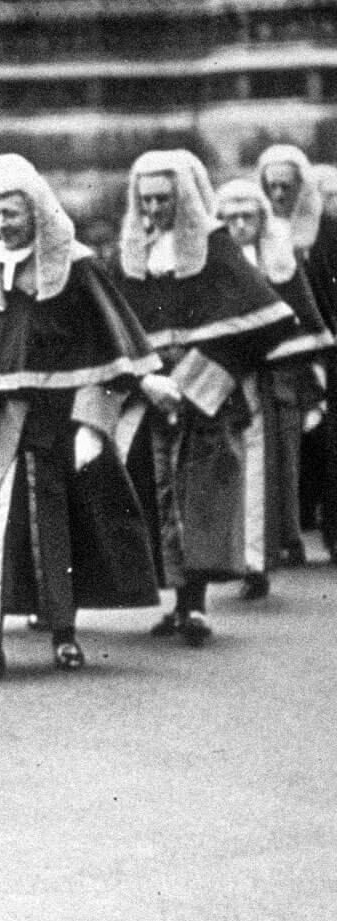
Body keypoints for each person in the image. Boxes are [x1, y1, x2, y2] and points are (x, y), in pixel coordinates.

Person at [0, 154, 161, 679]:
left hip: (57, 420)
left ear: (37, 211)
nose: (2, 224)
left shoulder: (78, 265)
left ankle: (64, 632)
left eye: (12, 213)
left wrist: (93, 423)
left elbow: (113, 347)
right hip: (2, 419)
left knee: (57, 523)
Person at [115, 149, 296, 645]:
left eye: (164, 200)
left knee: (198, 497)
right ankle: (175, 600)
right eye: (145, 201)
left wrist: (199, 379)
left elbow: (267, 321)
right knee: (158, 495)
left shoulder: (215, 249)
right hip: (153, 391)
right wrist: (148, 379)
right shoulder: (133, 253)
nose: (153, 211)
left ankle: (194, 604)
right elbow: (118, 326)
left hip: (203, 390)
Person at [214, 178, 332, 588]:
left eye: (247, 217)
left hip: (277, 378)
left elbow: (305, 318)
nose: (239, 226)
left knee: (274, 466)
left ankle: (267, 552)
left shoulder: (281, 259)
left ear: (261, 219)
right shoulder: (211, 263)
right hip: (225, 377)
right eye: (230, 218)